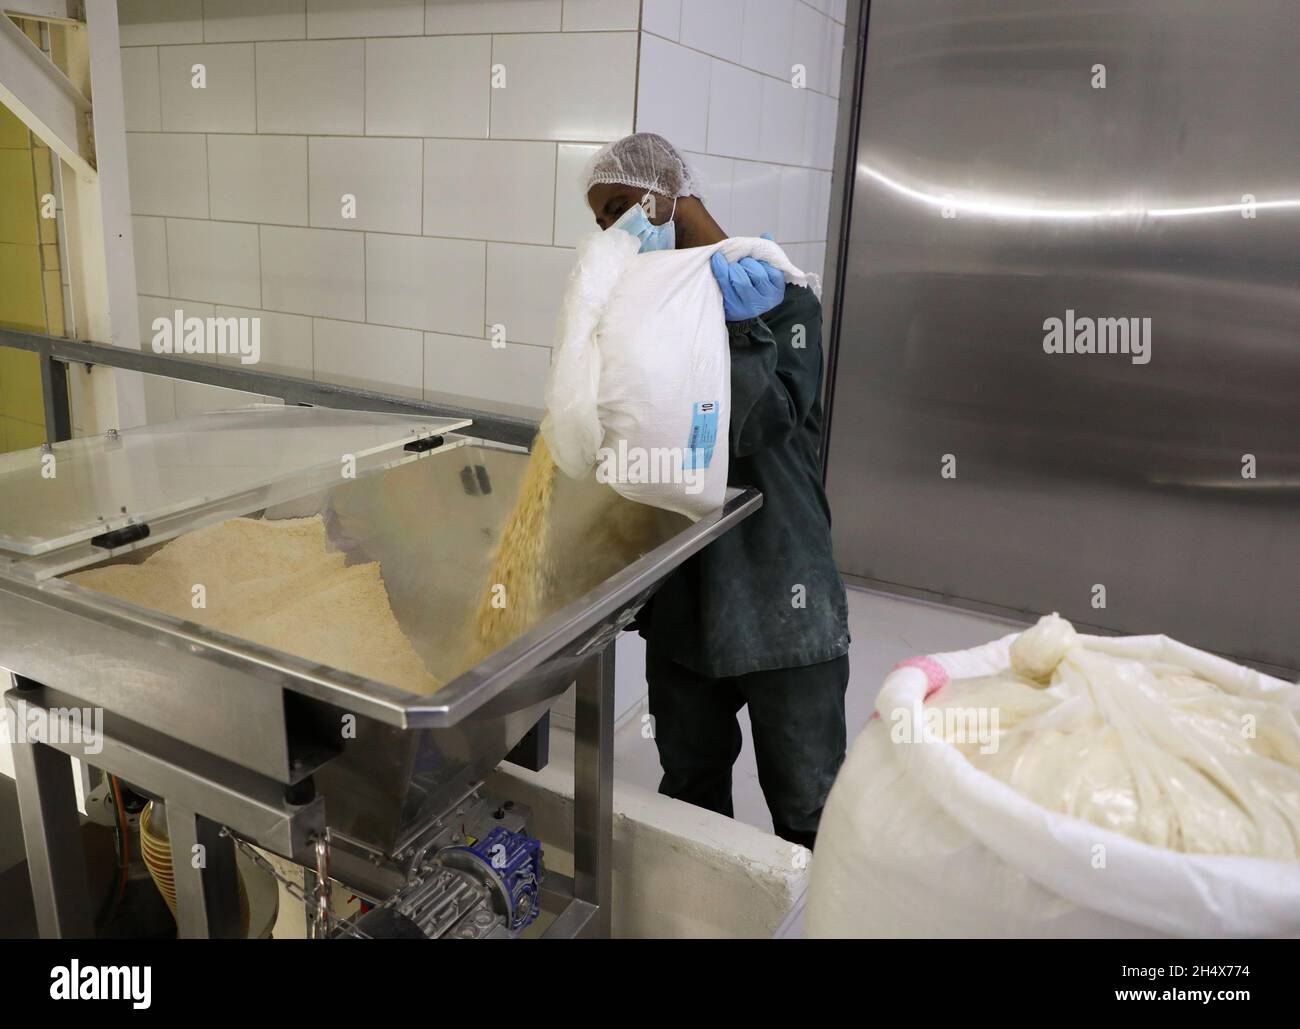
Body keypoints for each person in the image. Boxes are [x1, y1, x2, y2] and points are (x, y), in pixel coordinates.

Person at [584, 133, 850, 849]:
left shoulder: (788, 301)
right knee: (692, 809)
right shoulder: (645, 317)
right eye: (603, 221)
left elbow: (756, 425)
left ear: (671, 186)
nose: (615, 230)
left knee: (810, 812)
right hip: (685, 610)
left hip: (784, 603)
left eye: (621, 207)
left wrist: (742, 329)